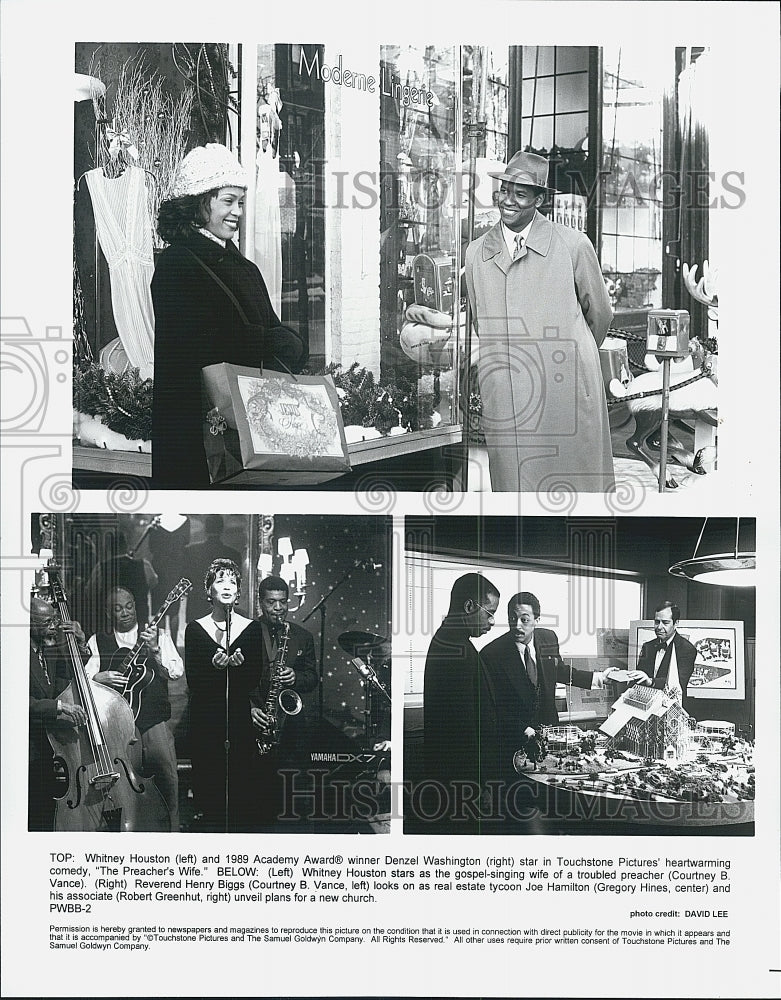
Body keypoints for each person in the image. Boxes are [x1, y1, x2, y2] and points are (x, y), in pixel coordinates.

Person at [151, 143, 308, 489]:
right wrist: (266, 340)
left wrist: (287, 343)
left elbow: (269, 330)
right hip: (198, 442)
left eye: (240, 201)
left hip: (249, 431)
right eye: (227, 201)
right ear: (198, 203)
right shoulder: (177, 263)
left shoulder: (243, 267)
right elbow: (191, 348)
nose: (237, 211)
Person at [463, 150, 614, 492]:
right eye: (503, 191)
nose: (508, 201)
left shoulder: (573, 245)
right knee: (515, 492)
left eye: (520, 194)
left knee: (574, 487)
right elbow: (479, 320)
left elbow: (600, 315)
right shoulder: (475, 254)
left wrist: (570, 354)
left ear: (539, 199)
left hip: (565, 386)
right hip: (507, 387)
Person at [480, 591, 643, 787]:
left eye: (524, 619)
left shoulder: (548, 638)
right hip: (513, 741)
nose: (517, 625)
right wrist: (526, 731)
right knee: (519, 799)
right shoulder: (491, 654)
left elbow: (560, 672)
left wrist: (600, 678)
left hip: (550, 737)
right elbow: (493, 707)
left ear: (537, 619)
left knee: (554, 792)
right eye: (512, 619)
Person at [85, 587, 183, 831]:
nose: (125, 612)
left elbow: (176, 671)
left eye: (129, 606)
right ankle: (129, 834)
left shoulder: (156, 635)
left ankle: (171, 833)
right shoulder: (97, 640)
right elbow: (82, 679)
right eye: (118, 609)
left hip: (155, 722)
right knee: (126, 786)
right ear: (109, 613)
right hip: (120, 728)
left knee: (168, 780)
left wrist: (155, 650)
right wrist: (99, 677)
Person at [184, 558, 264, 831]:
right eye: (220, 580)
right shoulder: (195, 629)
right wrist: (214, 668)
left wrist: (238, 668)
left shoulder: (251, 629)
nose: (227, 586)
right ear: (209, 591)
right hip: (206, 721)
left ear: (239, 591)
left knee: (242, 788)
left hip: (239, 720)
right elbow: (194, 681)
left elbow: (253, 679)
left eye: (232, 581)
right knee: (210, 790)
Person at [422, 573, 500, 798]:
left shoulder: (448, 641)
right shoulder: (458, 651)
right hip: (463, 783)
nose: (492, 622)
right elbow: (464, 731)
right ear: (469, 606)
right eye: (490, 613)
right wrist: (480, 784)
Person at [250, 575, 319, 826]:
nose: (278, 609)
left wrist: (296, 677)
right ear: (261, 603)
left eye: (282, 602)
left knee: (291, 792)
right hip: (258, 719)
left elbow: (313, 678)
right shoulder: (246, 634)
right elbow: (233, 680)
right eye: (271, 603)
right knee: (258, 794)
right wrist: (249, 708)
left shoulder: (301, 636)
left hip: (290, 727)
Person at [28, 596, 88, 831]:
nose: (53, 626)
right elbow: (16, 701)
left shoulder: (47, 650)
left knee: (46, 806)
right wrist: (60, 707)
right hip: (28, 748)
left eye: (54, 620)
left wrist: (80, 643)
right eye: (46, 622)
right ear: (28, 624)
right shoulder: (14, 653)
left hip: (49, 746)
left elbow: (72, 673)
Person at [633, 601, 698, 716]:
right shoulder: (647, 646)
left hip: (672, 712)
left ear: (676, 623)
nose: (659, 627)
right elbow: (640, 677)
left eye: (665, 622)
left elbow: (678, 683)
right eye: (657, 622)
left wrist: (650, 681)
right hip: (646, 710)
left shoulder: (687, 649)